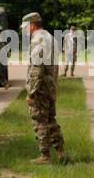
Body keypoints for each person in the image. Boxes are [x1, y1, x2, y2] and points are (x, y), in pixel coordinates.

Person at [22, 12, 64, 163]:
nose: (25, 30)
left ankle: (45, 155)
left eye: (26, 27)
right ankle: (61, 152)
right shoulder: (50, 37)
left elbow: (36, 68)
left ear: (32, 25)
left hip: (40, 88)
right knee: (51, 120)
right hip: (50, 86)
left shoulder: (38, 39)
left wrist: (32, 93)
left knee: (39, 121)